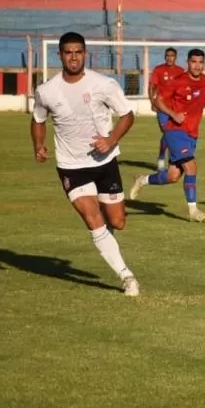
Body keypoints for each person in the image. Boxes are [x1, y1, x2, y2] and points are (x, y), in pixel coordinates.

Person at [30, 31, 140, 296]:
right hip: (70, 165)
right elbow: (38, 119)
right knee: (93, 219)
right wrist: (38, 145)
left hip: (105, 162)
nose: (73, 57)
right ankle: (127, 277)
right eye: (68, 52)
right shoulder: (47, 90)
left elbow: (127, 115)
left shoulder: (103, 84)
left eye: (78, 51)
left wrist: (111, 139)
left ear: (85, 54)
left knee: (118, 221)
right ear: (60, 55)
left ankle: (105, 237)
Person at [130, 48, 205, 222]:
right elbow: (158, 101)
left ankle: (142, 180)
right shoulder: (177, 81)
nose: (197, 66)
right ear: (188, 62)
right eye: (194, 62)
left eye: (200, 62)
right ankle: (193, 211)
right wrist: (173, 114)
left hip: (192, 134)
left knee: (173, 176)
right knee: (191, 166)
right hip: (175, 130)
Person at [148, 47, 184, 171]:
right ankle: (162, 159)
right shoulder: (159, 70)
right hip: (162, 107)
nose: (169, 58)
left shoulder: (180, 71)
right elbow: (152, 86)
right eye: (167, 55)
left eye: (172, 55)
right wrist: (152, 101)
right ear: (165, 57)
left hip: (176, 109)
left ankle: (171, 161)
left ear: (175, 57)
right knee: (168, 132)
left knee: (173, 134)